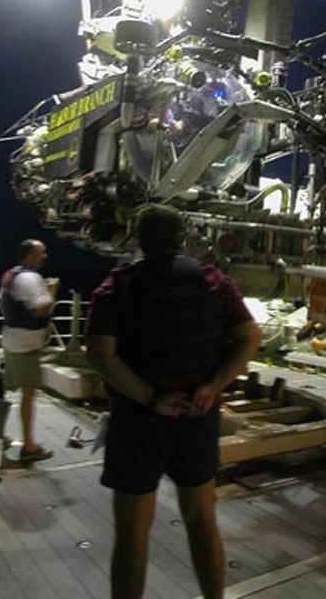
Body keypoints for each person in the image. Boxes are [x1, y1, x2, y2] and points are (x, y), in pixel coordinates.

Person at [85, 205, 262, 599]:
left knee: (132, 533)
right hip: (197, 417)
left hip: (138, 421)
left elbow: (100, 354)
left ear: (137, 239)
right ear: (184, 240)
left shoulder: (117, 286)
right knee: (202, 520)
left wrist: (150, 398)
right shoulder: (214, 281)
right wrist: (213, 385)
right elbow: (250, 337)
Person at [0, 239, 58, 462]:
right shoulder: (29, 278)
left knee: (6, 390)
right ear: (30, 255)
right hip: (27, 346)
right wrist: (52, 290)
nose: (45, 256)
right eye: (41, 252)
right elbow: (39, 310)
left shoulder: (10, 275)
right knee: (28, 394)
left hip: (11, 339)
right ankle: (29, 447)